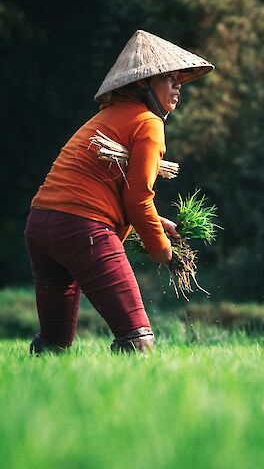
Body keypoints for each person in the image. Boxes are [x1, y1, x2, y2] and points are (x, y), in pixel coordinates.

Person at [24, 29, 214, 354]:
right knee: (137, 341)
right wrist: (161, 249)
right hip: (82, 229)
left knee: (54, 344)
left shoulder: (108, 117)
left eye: (180, 79)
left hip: (40, 226)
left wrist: (157, 222)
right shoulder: (149, 123)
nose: (178, 86)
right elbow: (138, 199)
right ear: (143, 83)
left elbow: (110, 190)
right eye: (169, 79)